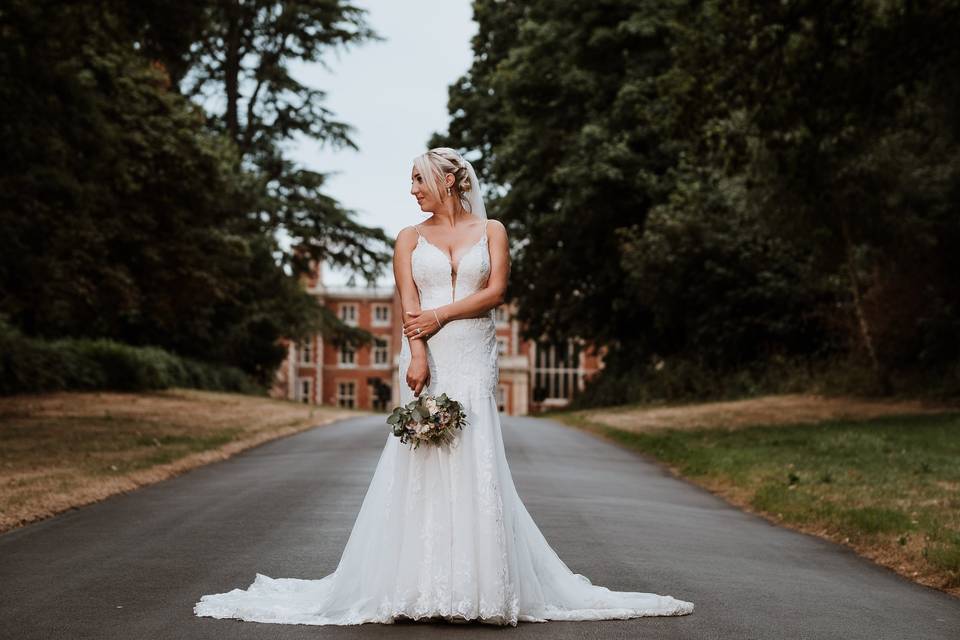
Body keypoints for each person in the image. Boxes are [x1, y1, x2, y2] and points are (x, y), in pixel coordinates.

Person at [193, 147, 694, 626]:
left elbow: (495, 291)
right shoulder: (408, 239)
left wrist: (441, 314)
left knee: (475, 455)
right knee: (422, 459)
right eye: (412, 181)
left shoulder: (493, 230)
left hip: (475, 354)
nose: (412, 190)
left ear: (448, 181)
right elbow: (408, 304)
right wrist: (416, 353)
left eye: (419, 180)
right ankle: (415, 585)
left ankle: (479, 587)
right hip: (429, 356)